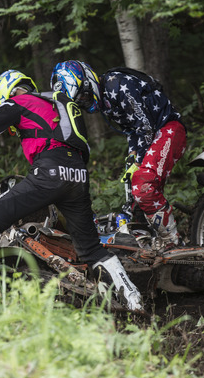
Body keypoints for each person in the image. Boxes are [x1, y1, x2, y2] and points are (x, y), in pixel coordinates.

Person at [0, 69, 143, 311]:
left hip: (50, 173)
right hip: (78, 176)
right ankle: (135, 300)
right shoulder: (58, 103)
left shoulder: (19, 101)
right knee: (91, 249)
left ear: (6, 93)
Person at [51, 61, 188, 251]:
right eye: (79, 101)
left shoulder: (117, 84)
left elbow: (146, 125)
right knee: (134, 196)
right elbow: (133, 130)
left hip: (168, 129)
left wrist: (138, 159)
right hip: (152, 137)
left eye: (83, 95)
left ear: (89, 81)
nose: (84, 101)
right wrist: (133, 156)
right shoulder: (106, 98)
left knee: (143, 186)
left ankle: (174, 243)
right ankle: (149, 244)